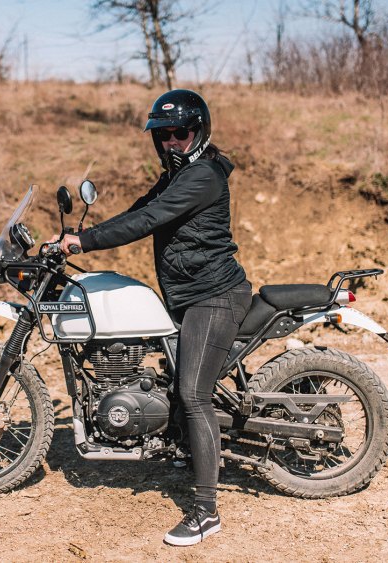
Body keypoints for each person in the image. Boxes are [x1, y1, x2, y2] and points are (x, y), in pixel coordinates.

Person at [57, 89, 251, 547]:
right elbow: (140, 210)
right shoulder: (176, 176)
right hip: (189, 296)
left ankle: (206, 513)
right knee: (172, 379)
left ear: (198, 131)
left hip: (215, 296)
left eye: (179, 132)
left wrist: (85, 245)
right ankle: (185, 448)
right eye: (162, 135)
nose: (170, 142)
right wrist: (82, 234)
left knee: (193, 394)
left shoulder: (201, 176)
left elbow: (148, 221)